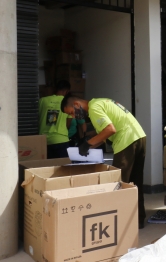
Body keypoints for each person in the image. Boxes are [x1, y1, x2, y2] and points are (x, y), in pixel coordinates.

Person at [60, 95, 147, 228]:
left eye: (71, 112)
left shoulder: (94, 108)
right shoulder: (100, 102)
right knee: (135, 181)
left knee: (118, 183)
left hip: (126, 140)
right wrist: (88, 146)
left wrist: (88, 143)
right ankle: (138, 219)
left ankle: (120, 222)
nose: (73, 116)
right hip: (139, 137)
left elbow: (110, 129)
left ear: (77, 104)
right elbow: (106, 134)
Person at [39, 80, 73, 159]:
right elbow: (68, 124)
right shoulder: (68, 103)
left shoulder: (42, 101)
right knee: (63, 168)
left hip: (43, 140)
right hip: (61, 140)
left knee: (47, 168)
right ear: (67, 91)